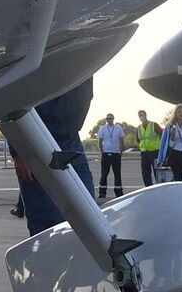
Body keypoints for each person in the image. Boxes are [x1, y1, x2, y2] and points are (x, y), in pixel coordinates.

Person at [15, 81, 96, 233]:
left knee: (88, 215)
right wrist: (19, 150)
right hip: (36, 138)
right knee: (46, 224)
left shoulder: (79, 65)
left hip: (70, 138)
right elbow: (13, 99)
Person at [95, 112, 127, 198]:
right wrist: (101, 151)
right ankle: (102, 192)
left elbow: (121, 140)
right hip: (106, 153)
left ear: (113, 119)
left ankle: (118, 192)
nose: (108, 120)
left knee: (117, 174)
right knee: (104, 173)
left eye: (109, 118)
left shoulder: (118, 128)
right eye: (107, 119)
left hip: (116, 154)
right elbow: (100, 140)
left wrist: (121, 151)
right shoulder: (103, 128)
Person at [133, 110, 161, 189]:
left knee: (157, 172)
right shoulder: (138, 128)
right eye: (139, 115)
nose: (141, 117)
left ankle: (159, 187)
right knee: (145, 173)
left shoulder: (153, 125)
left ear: (146, 115)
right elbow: (138, 140)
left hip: (155, 151)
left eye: (142, 115)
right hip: (144, 153)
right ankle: (149, 188)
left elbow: (162, 134)